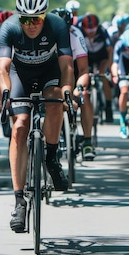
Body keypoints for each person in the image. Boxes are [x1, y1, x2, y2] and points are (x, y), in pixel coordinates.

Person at [0, 0, 74, 233]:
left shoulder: (57, 25)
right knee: (20, 124)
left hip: (49, 73)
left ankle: (51, 155)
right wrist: (6, 92)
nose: (31, 25)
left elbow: (67, 65)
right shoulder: (8, 27)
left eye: (36, 19)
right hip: (19, 75)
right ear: (18, 18)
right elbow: (2, 67)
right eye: (25, 19)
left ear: (44, 16)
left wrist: (68, 89)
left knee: (55, 101)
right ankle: (19, 200)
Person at [53, 8, 96, 160]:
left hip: (75, 72)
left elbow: (84, 69)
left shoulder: (76, 35)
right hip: (53, 74)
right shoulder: (44, 34)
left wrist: (78, 88)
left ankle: (87, 141)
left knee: (84, 96)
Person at [79, 13, 114, 123]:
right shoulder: (79, 32)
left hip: (102, 58)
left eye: (93, 29)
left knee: (103, 78)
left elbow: (110, 50)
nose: (90, 33)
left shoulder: (102, 32)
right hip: (87, 57)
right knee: (85, 78)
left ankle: (109, 107)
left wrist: (109, 67)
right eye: (88, 30)